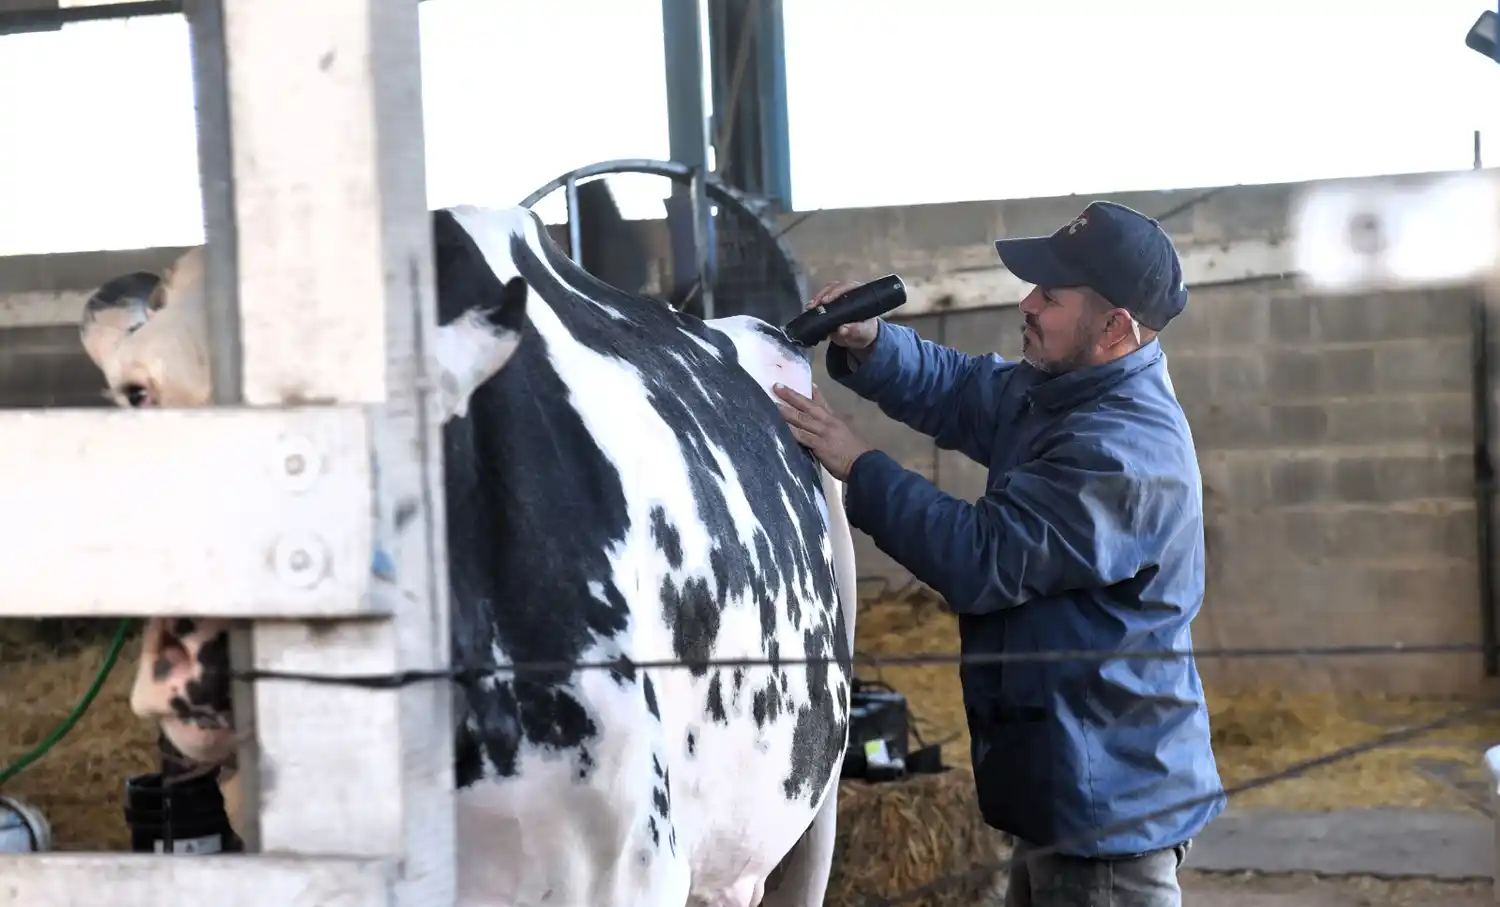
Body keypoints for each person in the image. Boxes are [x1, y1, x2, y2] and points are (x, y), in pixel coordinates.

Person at [772, 200, 1224, 907]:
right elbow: (964, 390)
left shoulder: (1123, 454)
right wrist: (871, 343)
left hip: (1106, 815)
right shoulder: (1067, 394)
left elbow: (980, 558)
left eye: (1051, 294)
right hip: (1065, 787)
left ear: (1114, 325)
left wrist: (856, 463)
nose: (1028, 303)